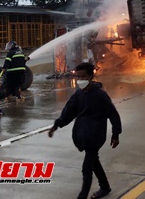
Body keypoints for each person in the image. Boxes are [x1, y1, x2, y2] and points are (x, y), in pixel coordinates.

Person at [48, 62, 122, 199]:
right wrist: (56, 125)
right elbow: (69, 112)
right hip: (82, 135)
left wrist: (115, 134)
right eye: (78, 77)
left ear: (91, 76)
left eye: (83, 77)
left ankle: (82, 196)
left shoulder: (100, 95)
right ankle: (105, 186)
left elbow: (113, 114)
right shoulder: (79, 94)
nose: (80, 80)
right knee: (94, 162)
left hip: (95, 135)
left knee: (86, 167)